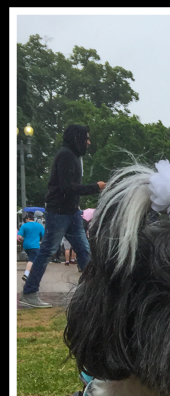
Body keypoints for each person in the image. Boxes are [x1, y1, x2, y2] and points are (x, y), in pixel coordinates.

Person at [20, 124, 105, 308]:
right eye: (86, 138)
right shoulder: (66, 155)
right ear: (78, 138)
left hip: (70, 211)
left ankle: (92, 293)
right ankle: (29, 292)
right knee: (47, 252)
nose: (89, 142)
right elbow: (67, 186)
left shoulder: (73, 156)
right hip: (59, 212)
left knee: (84, 251)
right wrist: (95, 187)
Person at [17, 212, 45, 283]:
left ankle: (31, 272)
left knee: (31, 258)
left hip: (26, 246)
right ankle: (26, 274)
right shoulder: (39, 226)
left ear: (28, 218)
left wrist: (23, 239)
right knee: (32, 260)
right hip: (35, 245)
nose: (25, 220)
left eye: (25, 219)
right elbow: (43, 235)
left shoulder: (24, 226)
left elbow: (19, 236)